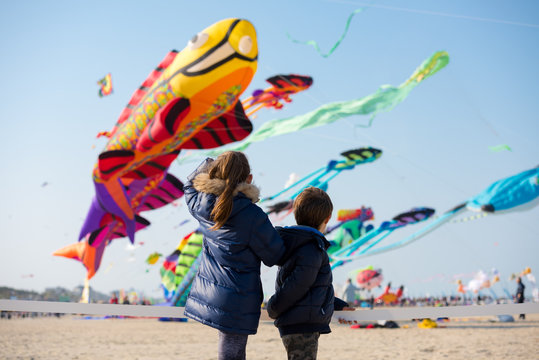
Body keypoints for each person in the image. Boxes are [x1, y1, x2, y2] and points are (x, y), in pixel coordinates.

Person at [183, 151, 285, 360]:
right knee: (232, 351)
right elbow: (275, 255)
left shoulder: (201, 205)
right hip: (239, 296)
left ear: (215, 173)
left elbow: (189, 185)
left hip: (211, 292)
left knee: (231, 349)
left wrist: (209, 163)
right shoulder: (252, 215)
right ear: (248, 179)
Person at [267, 187, 352, 360]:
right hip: (302, 325)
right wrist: (274, 307)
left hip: (300, 321)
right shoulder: (311, 249)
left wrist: (337, 304)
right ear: (327, 218)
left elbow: (310, 288)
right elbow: (297, 286)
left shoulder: (299, 244)